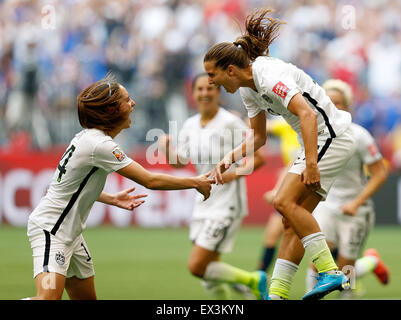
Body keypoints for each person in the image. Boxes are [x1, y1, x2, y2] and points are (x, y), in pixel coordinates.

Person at [204, 9, 357, 300]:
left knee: (282, 200)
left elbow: (308, 115)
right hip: (321, 140)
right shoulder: (248, 90)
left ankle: (330, 271)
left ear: (231, 70)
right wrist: (232, 156)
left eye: (213, 74)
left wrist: (311, 164)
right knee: (291, 220)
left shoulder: (268, 74)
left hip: (330, 136)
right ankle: (279, 293)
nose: (211, 82)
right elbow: (259, 137)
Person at [24, 73, 213, 300]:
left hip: (70, 235)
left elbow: (71, 188)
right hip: (50, 230)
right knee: (47, 299)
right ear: (112, 110)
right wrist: (196, 181)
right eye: (127, 100)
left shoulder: (89, 138)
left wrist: (110, 198)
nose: (133, 104)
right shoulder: (100, 145)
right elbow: (149, 180)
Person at [158, 73, 267, 300]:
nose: (204, 93)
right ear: (193, 93)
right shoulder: (189, 125)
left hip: (227, 203)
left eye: (209, 89)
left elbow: (259, 159)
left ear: (219, 93)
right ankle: (244, 291)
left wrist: (230, 175)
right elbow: (180, 162)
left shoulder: (230, 122)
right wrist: (167, 148)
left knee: (197, 266)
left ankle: (254, 281)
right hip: (203, 201)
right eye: (200, 89)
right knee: (210, 272)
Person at [305, 79, 389, 297]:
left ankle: (358, 279)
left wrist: (356, 202)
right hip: (326, 206)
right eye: (330, 102)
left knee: (346, 269)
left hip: (355, 210)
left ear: (348, 106)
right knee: (318, 262)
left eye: (339, 103)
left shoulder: (359, 135)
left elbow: (380, 173)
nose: (334, 107)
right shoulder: (314, 132)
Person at [258, 118, 300, 272]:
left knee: (326, 240)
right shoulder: (285, 124)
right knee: (273, 232)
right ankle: (258, 278)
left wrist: (277, 189)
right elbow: (259, 125)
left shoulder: (315, 125)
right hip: (292, 188)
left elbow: (296, 162)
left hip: (314, 190)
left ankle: (353, 274)